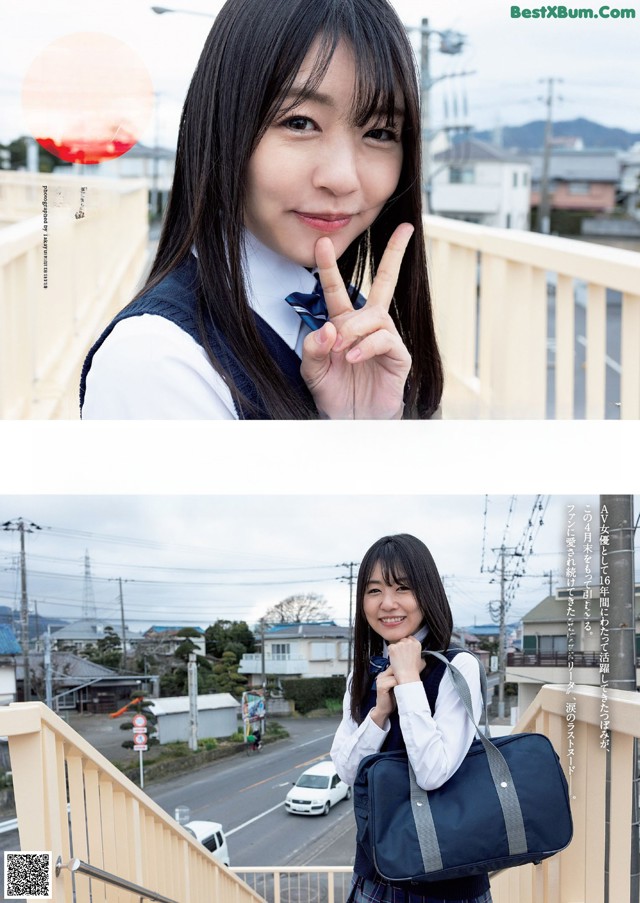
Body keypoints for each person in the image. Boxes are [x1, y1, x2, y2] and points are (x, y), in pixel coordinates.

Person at [80, 0, 443, 420]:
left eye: (380, 132)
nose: (342, 178)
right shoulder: (157, 362)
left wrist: (368, 429)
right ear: (222, 127)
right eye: (299, 122)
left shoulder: (357, 323)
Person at [330, 534, 492, 903]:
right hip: (376, 878)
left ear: (427, 593)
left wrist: (409, 683)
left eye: (402, 587)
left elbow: (433, 772)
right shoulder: (364, 673)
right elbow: (349, 773)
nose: (387, 604)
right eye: (373, 591)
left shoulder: (458, 667)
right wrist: (380, 712)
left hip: (449, 886)